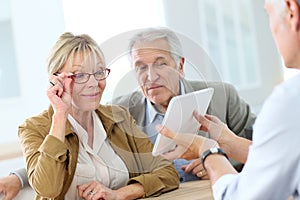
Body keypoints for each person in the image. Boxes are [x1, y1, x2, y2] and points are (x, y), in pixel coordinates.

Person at [0, 27, 256, 199]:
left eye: (161, 64)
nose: (151, 76)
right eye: (141, 67)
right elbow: (56, 167)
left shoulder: (222, 97)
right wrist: (19, 177)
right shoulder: (125, 108)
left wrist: (216, 159)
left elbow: (268, 150)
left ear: (180, 66)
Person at [9, 32, 180, 200]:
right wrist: (60, 115)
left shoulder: (119, 117)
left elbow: (167, 172)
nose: (93, 84)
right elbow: (47, 188)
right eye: (80, 75)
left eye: (99, 72)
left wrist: (119, 194)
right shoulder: (34, 128)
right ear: (56, 80)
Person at [157, 0, 300, 199]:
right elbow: (284, 157)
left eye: (269, 15)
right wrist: (229, 141)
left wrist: (207, 151)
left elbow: (239, 196)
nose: (271, 29)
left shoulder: (290, 103)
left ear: (291, 12)